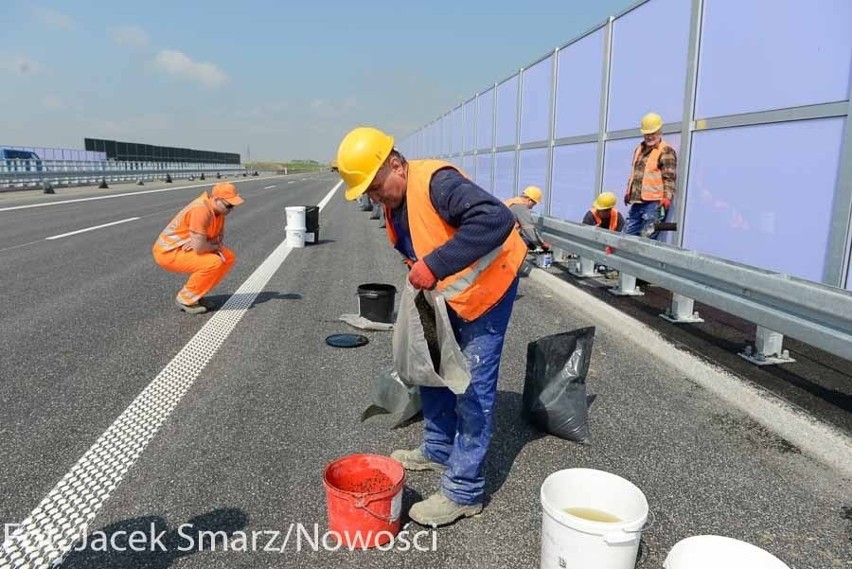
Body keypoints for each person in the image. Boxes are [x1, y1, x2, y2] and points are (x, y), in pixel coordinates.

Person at [336, 126, 526, 527]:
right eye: (366, 192)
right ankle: (438, 448)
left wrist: (435, 265)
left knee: (471, 386)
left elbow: (497, 218)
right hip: (445, 296)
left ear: (395, 164)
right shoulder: (394, 200)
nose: (374, 196)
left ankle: (464, 490)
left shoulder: (438, 183)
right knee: (433, 370)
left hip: (487, 291)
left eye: (374, 186)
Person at [152, 182, 244, 314]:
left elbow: (217, 238)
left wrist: (205, 243)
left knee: (228, 258)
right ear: (216, 199)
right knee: (213, 262)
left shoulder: (218, 212)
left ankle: (197, 295)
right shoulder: (201, 210)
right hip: (168, 252)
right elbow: (201, 247)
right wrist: (206, 244)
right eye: (229, 205)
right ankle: (185, 299)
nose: (231, 210)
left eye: (233, 206)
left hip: (191, 247)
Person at [624, 112, 677, 239]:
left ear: (659, 131)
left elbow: (669, 177)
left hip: (655, 204)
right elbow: (635, 173)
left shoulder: (666, 150)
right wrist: (628, 191)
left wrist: (667, 198)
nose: (649, 137)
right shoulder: (639, 149)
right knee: (626, 236)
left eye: (652, 133)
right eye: (647, 134)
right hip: (637, 202)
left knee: (646, 238)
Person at [503, 186, 550, 250]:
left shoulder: (512, 202)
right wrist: (542, 244)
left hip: (499, 235)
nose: (531, 208)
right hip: (505, 240)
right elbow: (529, 230)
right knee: (526, 244)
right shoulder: (521, 207)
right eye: (533, 204)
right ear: (530, 200)